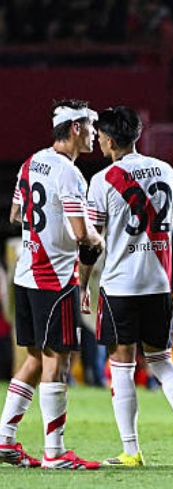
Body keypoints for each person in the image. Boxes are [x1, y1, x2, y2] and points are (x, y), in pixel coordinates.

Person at [79, 106, 173, 467]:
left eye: (101, 135)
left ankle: (131, 450)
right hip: (159, 283)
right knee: (161, 360)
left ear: (108, 137)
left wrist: (83, 283)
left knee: (121, 366)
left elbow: (92, 242)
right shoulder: (165, 170)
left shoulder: (103, 180)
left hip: (121, 286)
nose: (99, 141)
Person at [0, 99, 104, 469]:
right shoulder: (70, 173)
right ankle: (55, 453)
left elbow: (14, 214)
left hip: (26, 274)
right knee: (56, 361)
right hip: (54, 278)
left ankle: (5, 441)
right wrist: (98, 238)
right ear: (75, 128)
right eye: (91, 127)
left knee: (33, 358)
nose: (95, 134)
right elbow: (82, 235)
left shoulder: (31, 162)